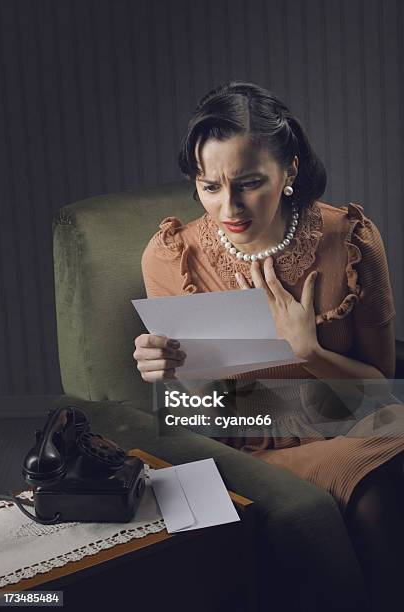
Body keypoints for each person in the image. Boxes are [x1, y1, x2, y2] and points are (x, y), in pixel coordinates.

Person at [133, 81, 404, 611]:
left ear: (291, 171)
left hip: (359, 419)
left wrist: (311, 352)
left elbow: (382, 395)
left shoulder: (351, 240)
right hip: (254, 439)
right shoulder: (172, 257)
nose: (228, 207)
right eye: (209, 186)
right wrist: (170, 378)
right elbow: (204, 411)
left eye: (249, 183)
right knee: (378, 493)